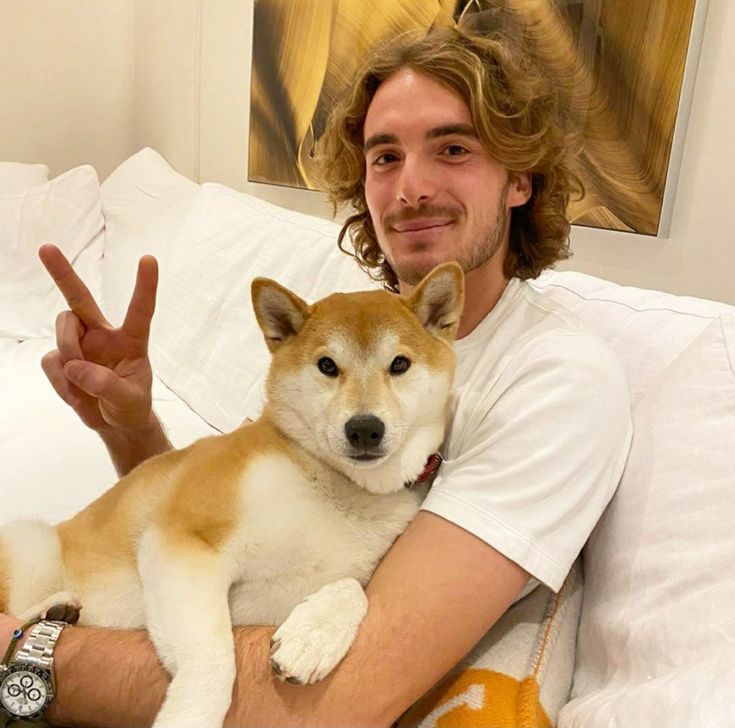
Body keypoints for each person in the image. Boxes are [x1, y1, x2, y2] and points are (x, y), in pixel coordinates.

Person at [0, 25, 631, 728]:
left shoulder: (550, 381)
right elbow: (231, 532)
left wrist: (21, 656)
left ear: (520, 178)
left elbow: (348, 691)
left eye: (452, 148)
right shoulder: (338, 325)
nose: (412, 186)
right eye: (384, 156)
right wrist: (133, 425)